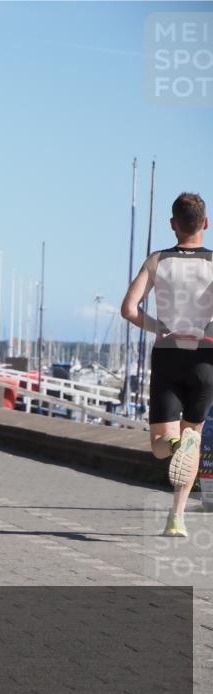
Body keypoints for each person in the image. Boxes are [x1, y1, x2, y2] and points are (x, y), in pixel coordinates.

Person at [121, 192, 210, 538]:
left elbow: (129, 309)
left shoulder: (157, 260)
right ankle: (177, 517)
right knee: (196, 434)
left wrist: (158, 326)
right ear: (205, 223)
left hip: (168, 352)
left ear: (173, 225)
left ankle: (176, 446)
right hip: (206, 357)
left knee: (161, 443)